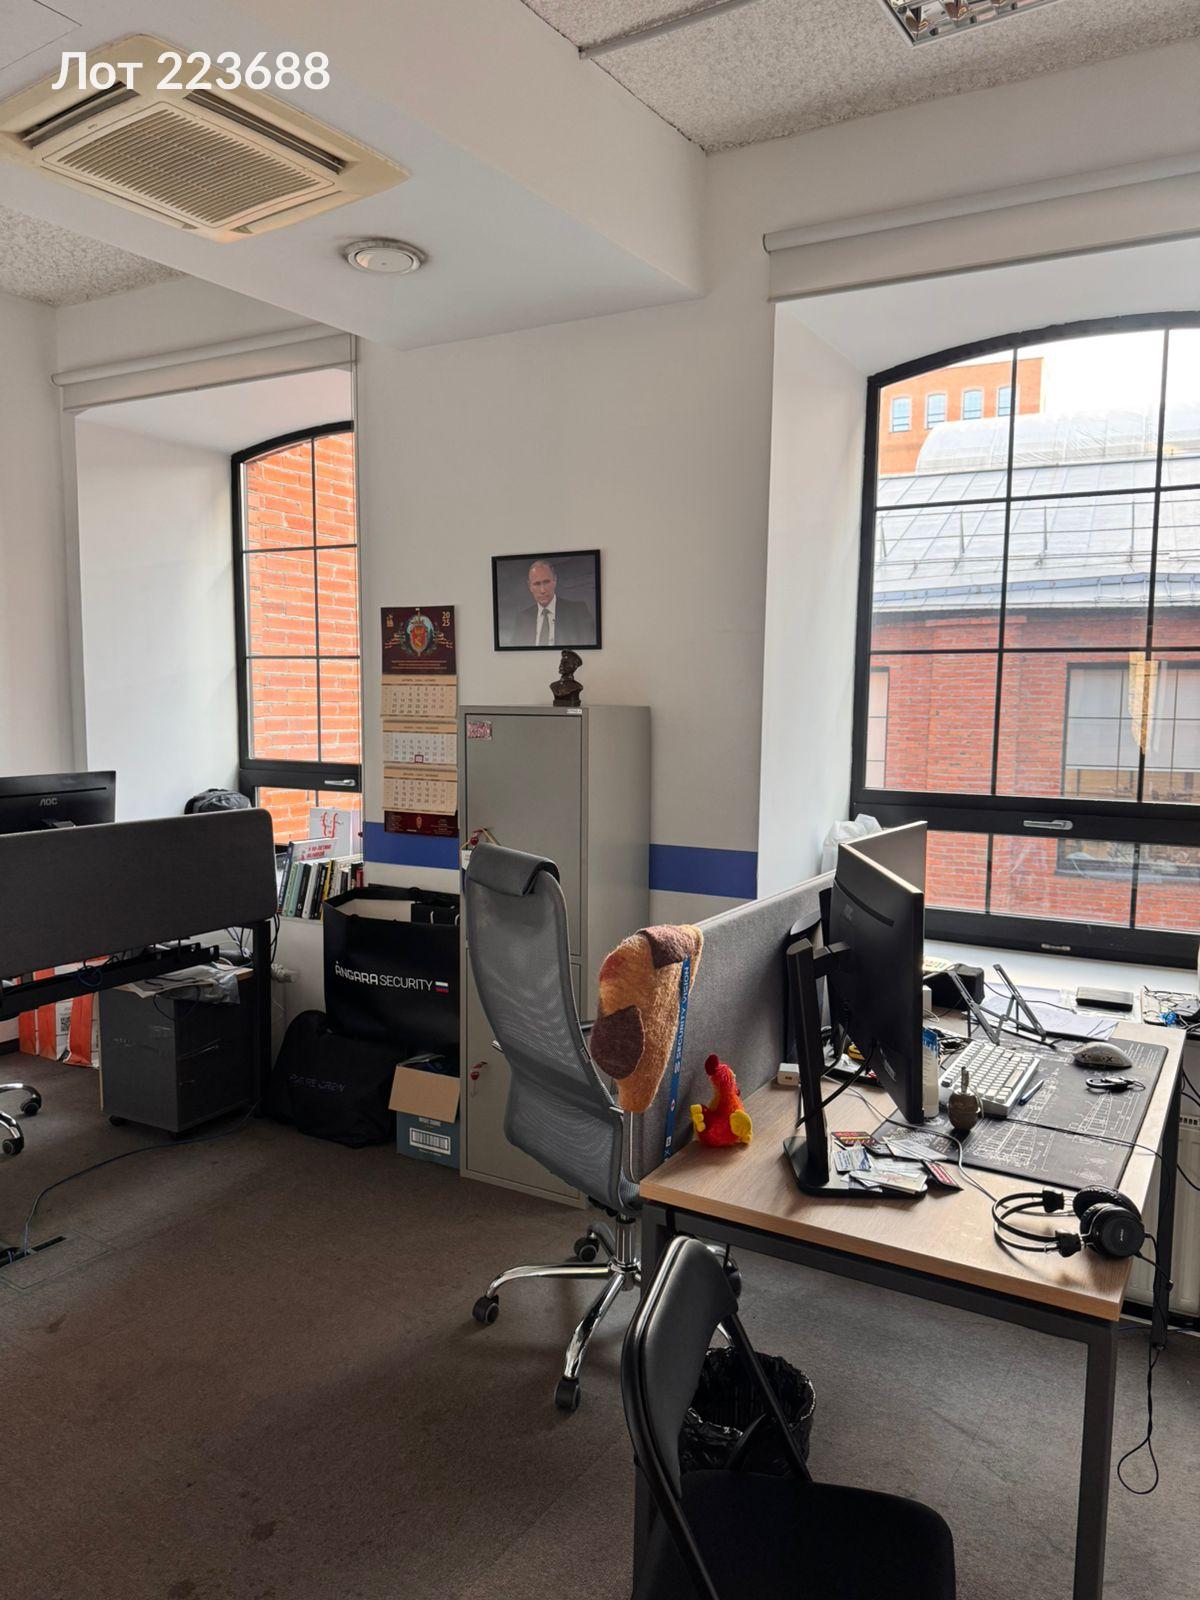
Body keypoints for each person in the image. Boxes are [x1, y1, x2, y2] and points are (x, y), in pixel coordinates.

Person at [510, 559, 595, 647]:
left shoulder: (578, 611)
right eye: (537, 584)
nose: (542, 590)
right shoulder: (522, 619)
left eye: (546, 582)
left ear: (555, 581)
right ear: (530, 586)